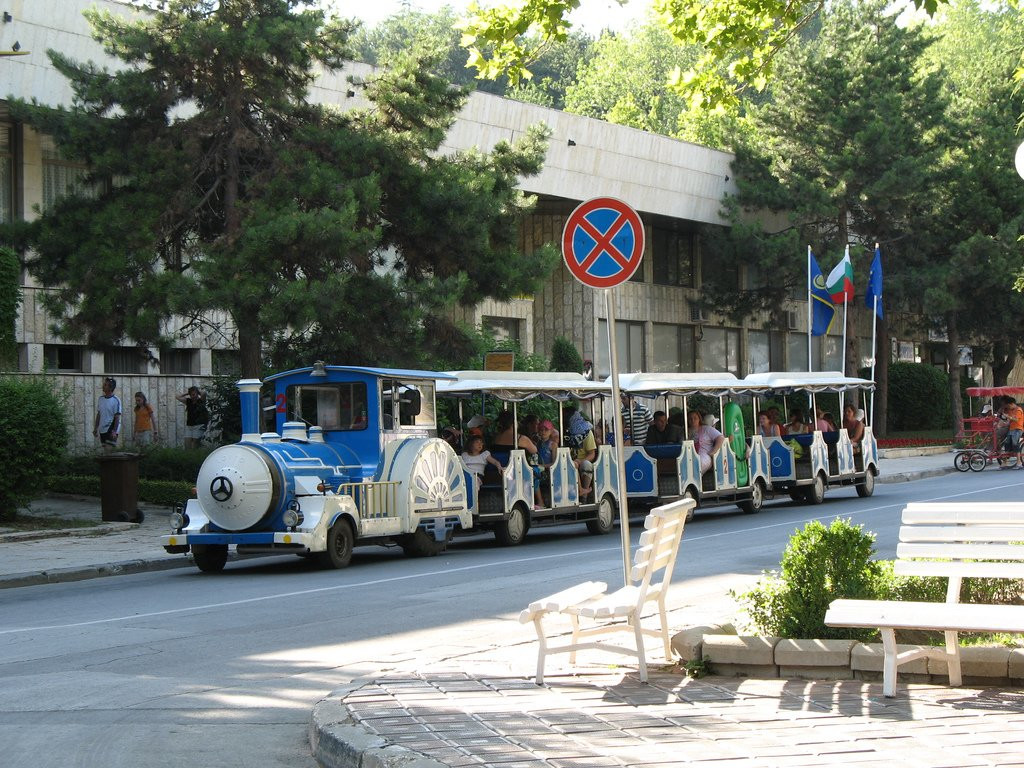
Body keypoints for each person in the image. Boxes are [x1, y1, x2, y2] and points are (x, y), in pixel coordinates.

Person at [563, 404, 597, 500]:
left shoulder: (586, 433)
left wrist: (580, 461)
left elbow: (592, 454)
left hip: (581, 461)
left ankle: (585, 492)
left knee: (586, 464)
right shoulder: (564, 432)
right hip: (568, 460)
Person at [688, 409, 725, 474]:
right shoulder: (685, 431)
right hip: (689, 455)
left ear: (699, 419)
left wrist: (714, 451)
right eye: (690, 419)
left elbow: (720, 437)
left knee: (698, 464)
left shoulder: (706, 429)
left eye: (695, 418)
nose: (693, 420)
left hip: (704, 455)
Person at [93, 377, 122, 451]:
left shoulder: (116, 400)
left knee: (110, 450)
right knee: (106, 451)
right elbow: (99, 414)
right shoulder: (101, 399)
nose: (103, 386)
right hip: (102, 429)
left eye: (105, 385)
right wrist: (96, 428)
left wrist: (114, 431)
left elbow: (117, 417)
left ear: (110, 387)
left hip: (111, 429)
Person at [176, 385, 209, 449]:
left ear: (197, 394)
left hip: (199, 425)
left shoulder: (201, 401)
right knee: (187, 445)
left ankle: (195, 457)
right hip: (189, 426)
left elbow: (204, 393)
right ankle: (188, 457)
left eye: (194, 394)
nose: (193, 396)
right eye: (191, 395)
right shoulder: (188, 401)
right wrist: (187, 393)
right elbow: (177, 396)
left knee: (195, 445)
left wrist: (197, 391)